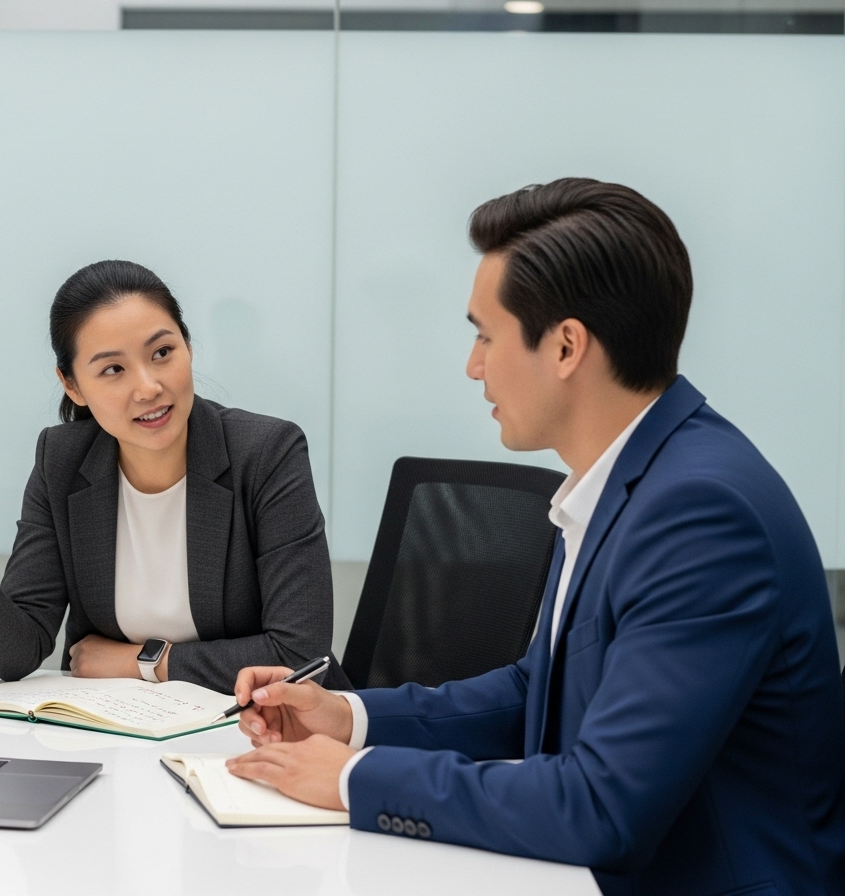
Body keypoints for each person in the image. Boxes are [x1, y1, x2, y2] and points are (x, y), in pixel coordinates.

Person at [225, 179, 845, 894]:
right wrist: (350, 717)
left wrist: (355, 779)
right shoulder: (631, 476)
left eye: (485, 334)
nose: (473, 364)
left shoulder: (701, 514)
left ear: (566, 346)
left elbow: (602, 807)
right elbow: (538, 688)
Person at [0, 259, 348, 693]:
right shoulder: (62, 461)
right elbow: (19, 652)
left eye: (162, 353)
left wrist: (145, 662)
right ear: (72, 385)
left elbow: (298, 653)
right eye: (113, 370)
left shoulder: (265, 453)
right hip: (123, 735)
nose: (149, 387)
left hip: (259, 729)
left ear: (189, 348)